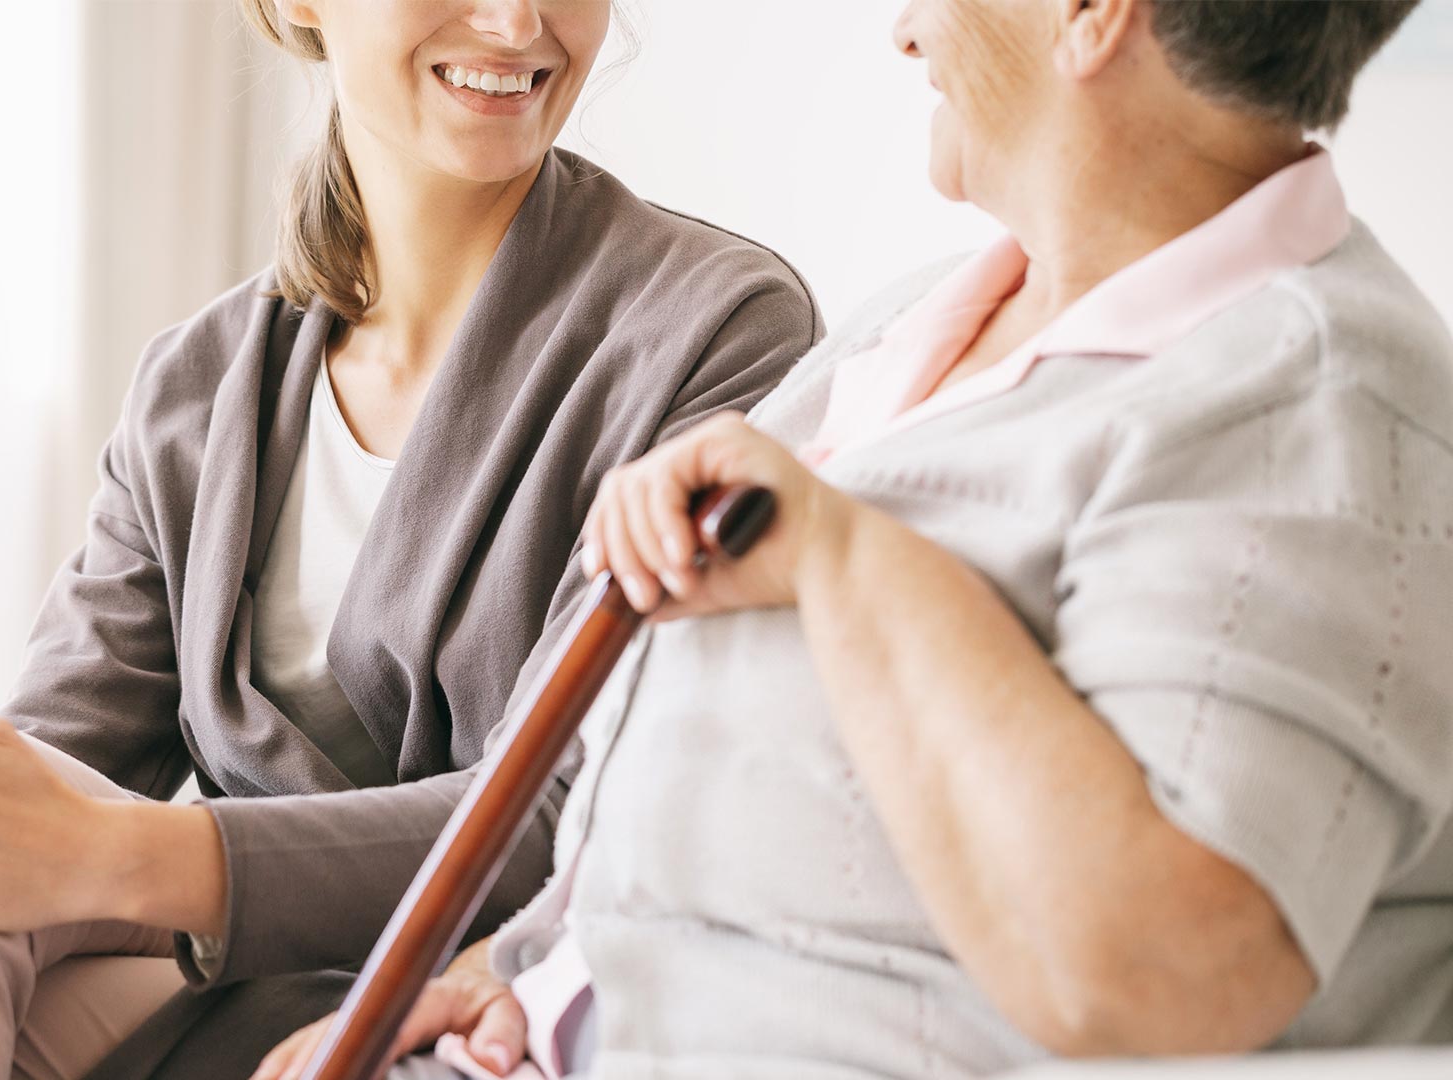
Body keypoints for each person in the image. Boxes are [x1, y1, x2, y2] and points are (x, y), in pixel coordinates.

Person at [258, 1, 1452, 1077]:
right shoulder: (925, 320)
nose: (905, 28)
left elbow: (1153, 979)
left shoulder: (1315, 408)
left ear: (1092, 14)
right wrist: (508, 976)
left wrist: (853, 563)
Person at [0, 0, 819, 1077]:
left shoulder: (711, 328)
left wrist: (107, 855)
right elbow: (62, 757)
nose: (518, 21)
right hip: (206, 972)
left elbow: (577, 812)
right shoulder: (198, 383)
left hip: (433, 992)